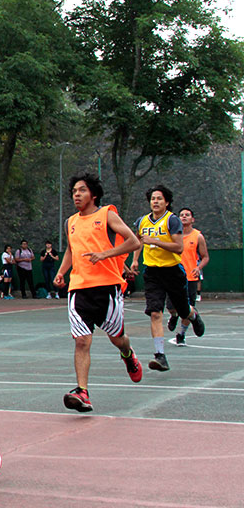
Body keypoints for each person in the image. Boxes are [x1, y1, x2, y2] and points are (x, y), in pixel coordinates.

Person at [54, 173, 143, 412]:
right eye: (73, 191)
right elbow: (71, 251)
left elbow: (134, 242)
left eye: (81, 190)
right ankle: (82, 391)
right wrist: (62, 272)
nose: (76, 195)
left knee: (117, 339)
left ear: (93, 194)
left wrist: (105, 254)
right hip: (78, 288)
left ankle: (128, 354)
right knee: (82, 341)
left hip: (107, 287)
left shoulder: (107, 215)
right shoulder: (70, 221)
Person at [131, 185, 205, 372]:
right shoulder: (142, 221)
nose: (155, 202)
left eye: (159, 199)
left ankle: (193, 315)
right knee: (155, 312)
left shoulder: (172, 221)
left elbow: (178, 247)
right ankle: (160, 355)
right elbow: (138, 241)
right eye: (153, 199)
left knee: (181, 309)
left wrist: (155, 241)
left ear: (167, 202)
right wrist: (134, 260)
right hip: (153, 273)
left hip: (173, 271)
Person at [166, 207, 209, 346]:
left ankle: (181, 334)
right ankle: (173, 316)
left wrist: (198, 268)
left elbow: (205, 257)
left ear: (192, 219)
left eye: (187, 215)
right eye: (182, 215)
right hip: (172, 275)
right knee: (171, 307)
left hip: (189, 277)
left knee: (187, 308)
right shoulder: (172, 235)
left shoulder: (197, 236)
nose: (184, 217)